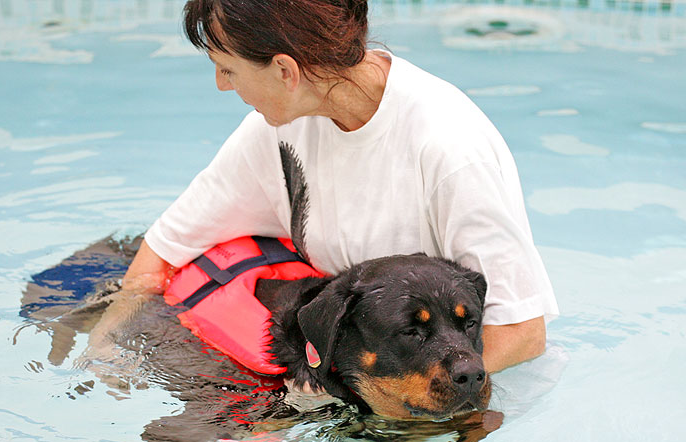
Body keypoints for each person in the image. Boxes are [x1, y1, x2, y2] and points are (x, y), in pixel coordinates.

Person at [91, 0, 558, 377]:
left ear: (285, 71)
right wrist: (106, 342)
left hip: (452, 387)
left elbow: (521, 333)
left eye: (227, 69)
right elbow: (167, 247)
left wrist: (387, 416)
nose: (221, 85)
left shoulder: (449, 149)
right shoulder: (275, 132)